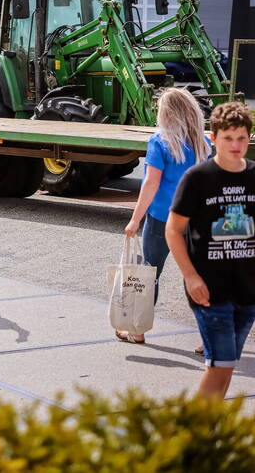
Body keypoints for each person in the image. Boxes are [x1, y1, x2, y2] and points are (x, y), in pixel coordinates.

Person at [167, 102, 255, 399]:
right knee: (222, 365)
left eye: (242, 138)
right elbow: (173, 229)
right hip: (209, 291)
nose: (236, 145)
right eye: (228, 138)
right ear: (213, 138)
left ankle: (207, 428)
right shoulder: (198, 178)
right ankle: (195, 434)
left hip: (248, 292)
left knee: (225, 366)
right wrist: (190, 276)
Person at [119, 88, 210, 343]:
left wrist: (135, 219)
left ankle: (137, 330)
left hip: (162, 217)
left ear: (166, 113)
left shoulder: (160, 141)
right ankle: (207, 338)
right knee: (198, 275)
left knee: (150, 272)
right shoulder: (205, 143)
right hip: (196, 218)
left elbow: (151, 183)